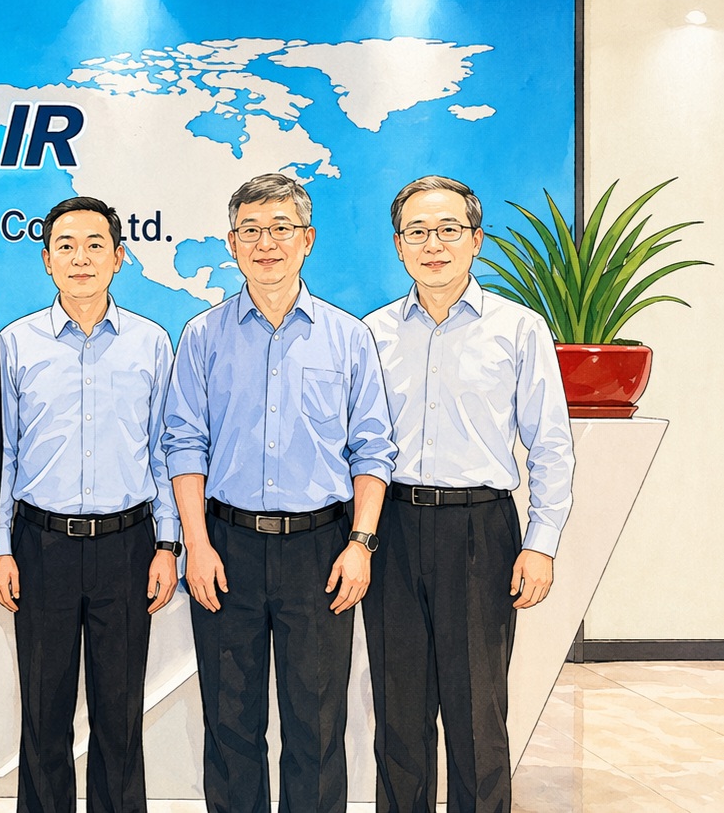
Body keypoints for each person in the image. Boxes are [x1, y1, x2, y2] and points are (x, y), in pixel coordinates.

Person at [161, 173, 397, 813]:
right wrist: (197, 546)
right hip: (226, 548)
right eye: (251, 231)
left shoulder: (348, 338)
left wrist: (361, 544)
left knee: (317, 728)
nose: (266, 244)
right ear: (232, 243)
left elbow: (373, 450)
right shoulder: (202, 337)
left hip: (321, 550)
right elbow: (184, 445)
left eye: (280, 229)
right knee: (231, 725)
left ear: (307, 240)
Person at [363, 175, 575, 813]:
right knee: (398, 714)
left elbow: (550, 445)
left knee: (478, 712)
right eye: (418, 233)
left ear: (475, 239)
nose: (434, 244)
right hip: (391, 530)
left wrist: (541, 544)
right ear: (399, 246)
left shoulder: (519, 329)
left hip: (480, 531)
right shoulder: (371, 333)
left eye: (448, 230)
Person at [0, 196, 181, 813]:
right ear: (46, 261)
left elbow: (163, 450)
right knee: (43, 716)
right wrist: (1, 546)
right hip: (39, 545)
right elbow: (4, 453)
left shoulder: (151, 343)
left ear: (119, 258)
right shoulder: (16, 343)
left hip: (128, 547)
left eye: (95, 244)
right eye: (66, 246)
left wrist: (167, 544)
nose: (81, 257)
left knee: (119, 716)